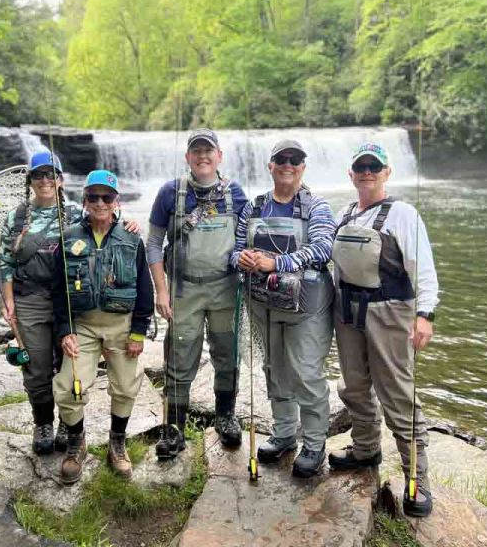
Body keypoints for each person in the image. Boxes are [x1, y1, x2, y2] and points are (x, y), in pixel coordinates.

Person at [327, 143, 439, 517]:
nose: (367, 172)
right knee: (354, 385)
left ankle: (416, 478)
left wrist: (425, 315)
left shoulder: (403, 214)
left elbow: (423, 268)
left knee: (398, 394)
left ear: (387, 173)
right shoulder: (342, 214)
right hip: (347, 313)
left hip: (390, 313)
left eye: (375, 166)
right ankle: (365, 449)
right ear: (352, 173)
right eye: (361, 166)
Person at [232, 139, 336, 478]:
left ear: (303, 167)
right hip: (263, 303)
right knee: (273, 368)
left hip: (308, 306)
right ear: (271, 166)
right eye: (281, 159)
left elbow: (323, 248)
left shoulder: (316, 207)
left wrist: (278, 262)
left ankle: (316, 443)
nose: (287, 164)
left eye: (295, 160)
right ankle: (285, 433)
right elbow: (233, 251)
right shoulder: (254, 207)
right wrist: (243, 259)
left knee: (306, 372)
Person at [146, 128, 248, 458]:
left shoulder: (235, 193)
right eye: (196, 151)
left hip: (225, 288)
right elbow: (153, 245)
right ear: (187, 156)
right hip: (183, 290)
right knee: (178, 358)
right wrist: (161, 291)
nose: (203, 156)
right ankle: (174, 429)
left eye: (209, 150)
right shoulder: (169, 193)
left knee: (227, 355)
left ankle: (226, 417)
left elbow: (249, 240)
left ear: (219, 156)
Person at [52, 170, 154, 483]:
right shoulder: (68, 238)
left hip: (121, 325)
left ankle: (117, 444)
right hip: (81, 326)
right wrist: (64, 330)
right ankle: (76, 443)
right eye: (93, 197)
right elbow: (58, 291)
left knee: (125, 386)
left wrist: (138, 331)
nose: (99, 203)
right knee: (70, 387)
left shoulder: (132, 237)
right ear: (83, 201)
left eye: (106, 197)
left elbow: (145, 290)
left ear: (115, 201)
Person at [0, 150, 83, 456]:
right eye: (39, 175)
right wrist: (8, 303)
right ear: (30, 181)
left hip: (68, 302)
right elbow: (6, 263)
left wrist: (130, 227)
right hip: (28, 300)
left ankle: (66, 421)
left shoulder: (76, 214)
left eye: (51, 175)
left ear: (60, 181)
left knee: (67, 365)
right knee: (36, 368)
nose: (45, 180)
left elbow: (104, 231)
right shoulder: (15, 218)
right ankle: (43, 423)